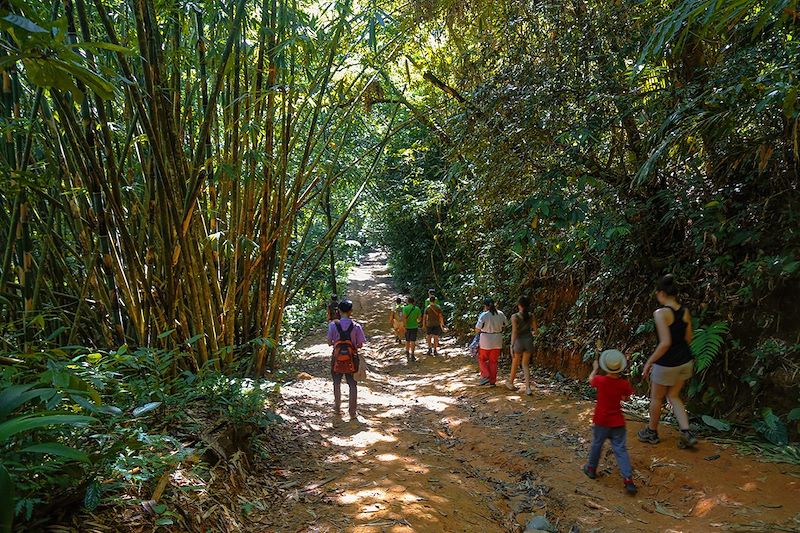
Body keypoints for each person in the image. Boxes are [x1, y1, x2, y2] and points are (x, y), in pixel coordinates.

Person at [638, 274, 698, 449]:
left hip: (666, 363)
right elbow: (689, 338)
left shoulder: (660, 313)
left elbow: (665, 343)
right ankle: (686, 432)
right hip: (685, 361)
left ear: (661, 293)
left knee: (657, 398)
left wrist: (649, 362)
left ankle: (651, 432)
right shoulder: (685, 311)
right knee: (673, 395)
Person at [583, 350, 637, 495]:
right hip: (617, 422)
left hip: (601, 420)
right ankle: (628, 479)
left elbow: (590, 380)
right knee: (620, 450)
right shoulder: (623, 383)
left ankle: (591, 469)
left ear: (605, 367)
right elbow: (626, 398)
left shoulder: (600, 380)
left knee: (597, 444)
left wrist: (594, 369)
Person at [326, 299, 366, 422]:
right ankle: (352, 412)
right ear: (350, 311)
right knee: (352, 384)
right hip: (352, 359)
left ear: (339, 311)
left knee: (336, 382)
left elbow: (329, 342)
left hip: (337, 358)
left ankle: (337, 408)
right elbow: (360, 345)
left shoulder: (333, 325)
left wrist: (337, 342)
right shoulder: (356, 326)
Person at [507, 295, 538, 394]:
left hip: (518, 342)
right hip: (528, 341)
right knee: (525, 364)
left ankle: (511, 383)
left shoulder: (514, 316)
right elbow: (535, 331)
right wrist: (531, 334)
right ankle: (528, 388)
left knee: (515, 363)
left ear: (519, 305)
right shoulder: (531, 315)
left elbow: (514, 331)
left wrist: (511, 345)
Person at [475, 298, 507, 386]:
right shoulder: (500, 314)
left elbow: (477, 329)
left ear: (485, 306)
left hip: (485, 340)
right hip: (497, 339)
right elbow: (505, 324)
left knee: (482, 359)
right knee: (494, 361)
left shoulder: (484, 315)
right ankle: (492, 381)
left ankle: (486, 376)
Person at [402, 296, 423, 363]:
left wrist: (404, 326)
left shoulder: (405, 308)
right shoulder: (417, 309)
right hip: (414, 326)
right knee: (413, 341)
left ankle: (407, 352)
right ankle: (412, 354)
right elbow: (419, 319)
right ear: (413, 302)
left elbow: (404, 318)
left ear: (408, 301)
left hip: (407, 327)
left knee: (407, 340)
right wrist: (416, 321)